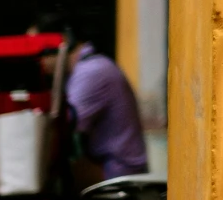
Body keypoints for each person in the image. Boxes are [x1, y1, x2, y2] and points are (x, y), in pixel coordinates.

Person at [28, 19, 148, 181]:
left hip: (117, 171)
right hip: (110, 165)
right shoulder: (83, 70)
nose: (39, 61)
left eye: (41, 51)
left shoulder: (91, 71)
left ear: (63, 41)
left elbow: (64, 125)